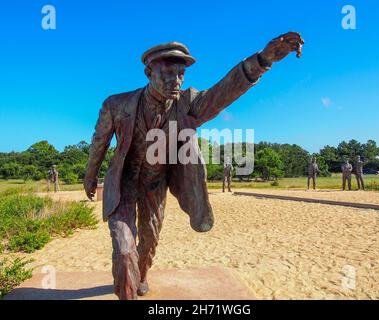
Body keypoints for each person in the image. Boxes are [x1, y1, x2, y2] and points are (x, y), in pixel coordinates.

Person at [84, 33, 304, 300]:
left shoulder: (188, 104)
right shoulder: (116, 104)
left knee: (149, 241)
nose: (174, 81)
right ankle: (127, 290)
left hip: (157, 183)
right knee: (124, 247)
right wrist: (90, 175)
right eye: (166, 73)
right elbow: (99, 142)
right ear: (148, 72)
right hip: (123, 184)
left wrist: (263, 59)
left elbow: (223, 92)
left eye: (180, 74)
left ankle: (140, 274)